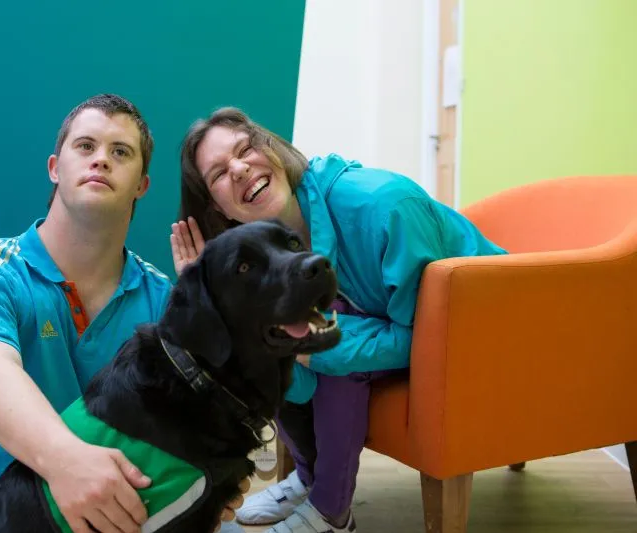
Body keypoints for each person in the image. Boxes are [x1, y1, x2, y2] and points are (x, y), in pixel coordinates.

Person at [0, 94, 247, 533]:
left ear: (141, 185)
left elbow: (201, 414)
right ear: (55, 168)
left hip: (110, 495)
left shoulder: (163, 301)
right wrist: (66, 462)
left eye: (121, 152)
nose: (101, 159)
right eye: (86, 146)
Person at [170, 107, 508, 533]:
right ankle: (311, 479)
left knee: (328, 343)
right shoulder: (266, 250)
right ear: (218, 209)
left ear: (272, 148)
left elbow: (431, 335)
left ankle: (331, 512)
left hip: (481, 328)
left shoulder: (382, 205)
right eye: (219, 173)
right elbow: (281, 371)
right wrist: (217, 297)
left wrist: (312, 346)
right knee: (278, 331)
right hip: (401, 327)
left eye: (244, 149)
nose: (238, 169)